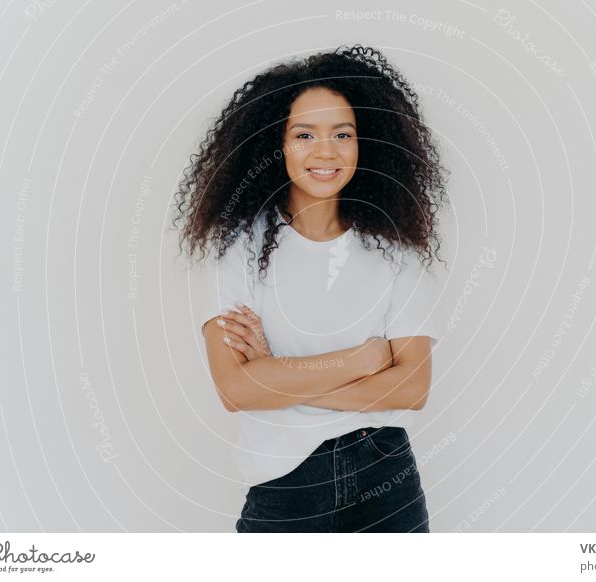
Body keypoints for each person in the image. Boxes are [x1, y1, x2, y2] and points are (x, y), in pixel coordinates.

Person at [172, 44, 448, 532]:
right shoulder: (234, 247)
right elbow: (236, 388)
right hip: (287, 485)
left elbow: (413, 386)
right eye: (304, 134)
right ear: (274, 145)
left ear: (368, 143)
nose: (326, 151)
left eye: (343, 133)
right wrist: (361, 362)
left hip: (387, 479)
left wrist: (275, 377)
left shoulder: (395, 247)